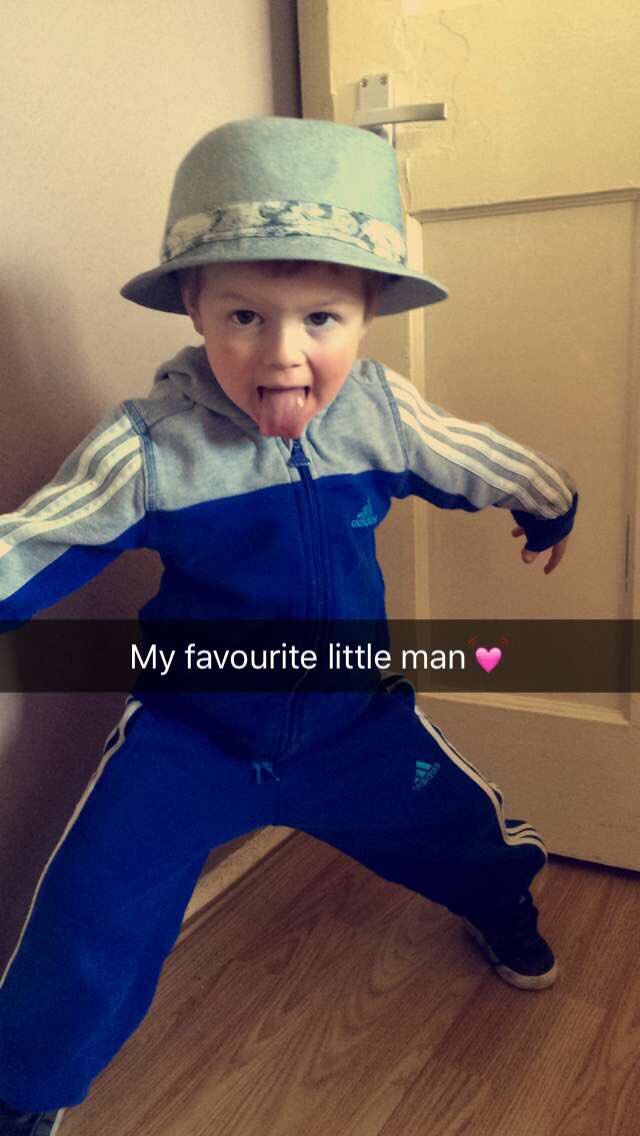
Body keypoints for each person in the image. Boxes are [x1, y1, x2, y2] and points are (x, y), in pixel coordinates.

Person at [0, 116, 578, 1134]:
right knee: (88, 913)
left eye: (320, 318)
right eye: (243, 316)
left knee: (460, 830)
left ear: (368, 314)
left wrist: (547, 500)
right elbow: (37, 537)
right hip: (192, 735)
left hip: (355, 726)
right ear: (193, 306)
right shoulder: (151, 446)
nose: (282, 355)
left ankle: (503, 908)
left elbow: (472, 453)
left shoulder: (381, 413)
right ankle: (23, 1095)